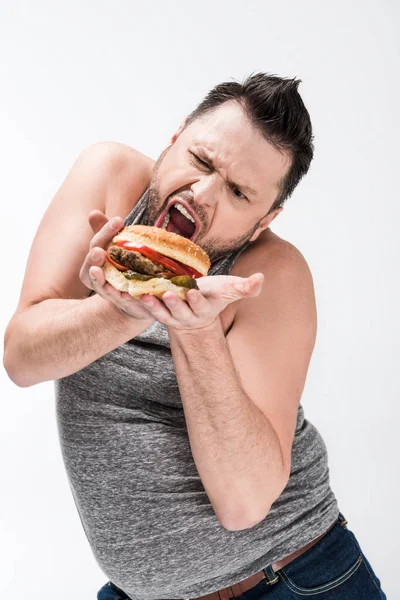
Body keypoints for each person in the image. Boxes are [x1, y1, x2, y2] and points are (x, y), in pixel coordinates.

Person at [4, 73, 386, 599]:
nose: (202, 195)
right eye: (202, 161)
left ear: (263, 219)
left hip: (288, 580)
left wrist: (196, 327)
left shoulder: (270, 275)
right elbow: (22, 359)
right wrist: (126, 310)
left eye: (237, 192)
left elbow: (244, 503)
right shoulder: (111, 179)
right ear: (176, 137)